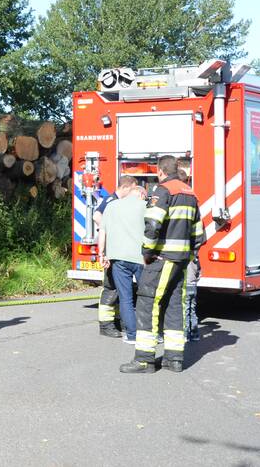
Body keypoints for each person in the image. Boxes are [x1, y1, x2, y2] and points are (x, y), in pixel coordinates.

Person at [120, 155, 204, 374]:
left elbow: (152, 225)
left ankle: (144, 360)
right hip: (182, 261)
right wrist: (190, 254)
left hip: (163, 258)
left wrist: (147, 252)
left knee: (147, 302)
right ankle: (174, 359)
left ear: (160, 171)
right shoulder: (189, 192)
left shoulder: (163, 191)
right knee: (174, 305)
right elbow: (198, 232)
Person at [98, 176, 147, 345]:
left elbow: (102, 232)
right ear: (139, 194)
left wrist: (101, 254)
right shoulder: (145, 206)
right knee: (147, 296)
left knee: (125, 298)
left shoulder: (111, 206)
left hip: (118, 258)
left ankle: (132, 335)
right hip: (142, 258)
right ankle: (150, 333)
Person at [178, 158, 202, 342]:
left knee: (183, 303)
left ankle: (185, 333)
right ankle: (193, 332)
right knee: (191, 303)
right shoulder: (193, 201)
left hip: (181, 266)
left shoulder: (171, 200)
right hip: (192, 263)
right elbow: (200, 235)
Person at [93, 189, 121, 338]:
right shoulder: (112, 200)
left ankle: (116, 321)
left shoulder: (118, 201)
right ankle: (106, 324)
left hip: (117, 250)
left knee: (118, 287)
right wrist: (111, 229)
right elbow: (96, 215)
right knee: (111, 286)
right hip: (111, 250)